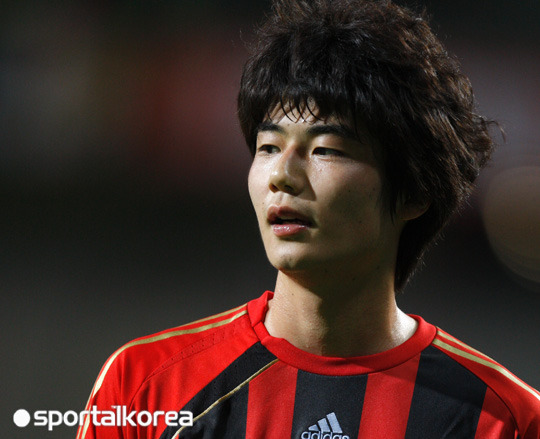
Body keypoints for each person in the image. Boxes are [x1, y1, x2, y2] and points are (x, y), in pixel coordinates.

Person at [76, 1, 540, 438]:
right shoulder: (143, 387)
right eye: (268, 147)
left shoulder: (505, 420)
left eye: (326, 150)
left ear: (416, 191)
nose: (283, 175)